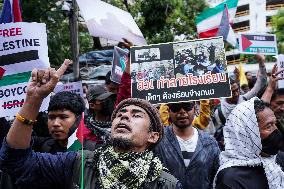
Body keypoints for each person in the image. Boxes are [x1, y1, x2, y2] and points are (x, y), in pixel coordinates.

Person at [0, 61, 182, 189]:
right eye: (119, 114)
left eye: (136, 115)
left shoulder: (166, 184)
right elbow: (15, 161)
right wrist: (34, 99)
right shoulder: (78, 164)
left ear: (153, 136)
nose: (124, 117)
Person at [214, 98, 284, 189]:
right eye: (268, 126)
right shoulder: (231, 180)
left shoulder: (277, 159)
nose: (275, 130)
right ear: (247, 134)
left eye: (275, 123)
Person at [155, 101, 220, 189]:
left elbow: (216, 179)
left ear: (194, 108)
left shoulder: (210, 143)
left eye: (187, 106)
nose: (182, 111)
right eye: (176, 107)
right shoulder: (158, 142)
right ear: (168, 111)